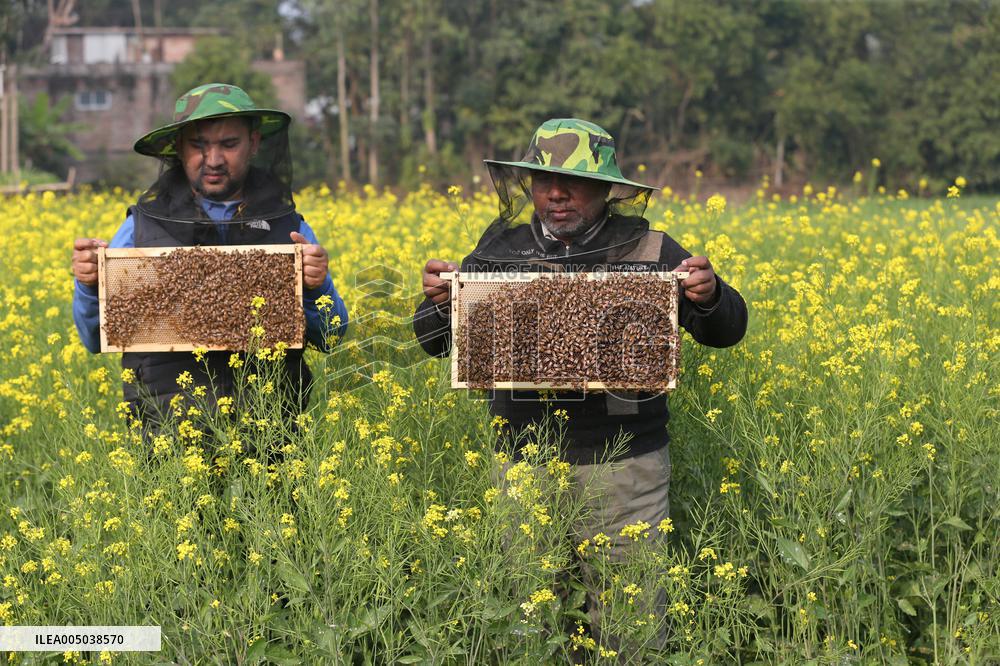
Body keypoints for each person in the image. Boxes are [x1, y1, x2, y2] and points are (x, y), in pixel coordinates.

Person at [412, 118, 747, 649]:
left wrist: (709, 294)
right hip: (524, 464)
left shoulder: (649, 249)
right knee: (530, 629)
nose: (556, 193)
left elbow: (726, 329)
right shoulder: (501, 248)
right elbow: (434, 340)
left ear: (607, 189)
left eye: (575, 181)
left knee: (629, 630)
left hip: (626, 470)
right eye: (543, 181)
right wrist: (437, 303)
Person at [72, 83, 348, 427]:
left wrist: (317, 286)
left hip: (270, 435)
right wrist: (88, 284)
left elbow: (331, 335)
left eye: (229, 145)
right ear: (178, 149)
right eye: (198, 146)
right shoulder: (140, 229)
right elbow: (94, 337)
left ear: (254, 144)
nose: (214, 160)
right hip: (169, 437)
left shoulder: (289, 228)